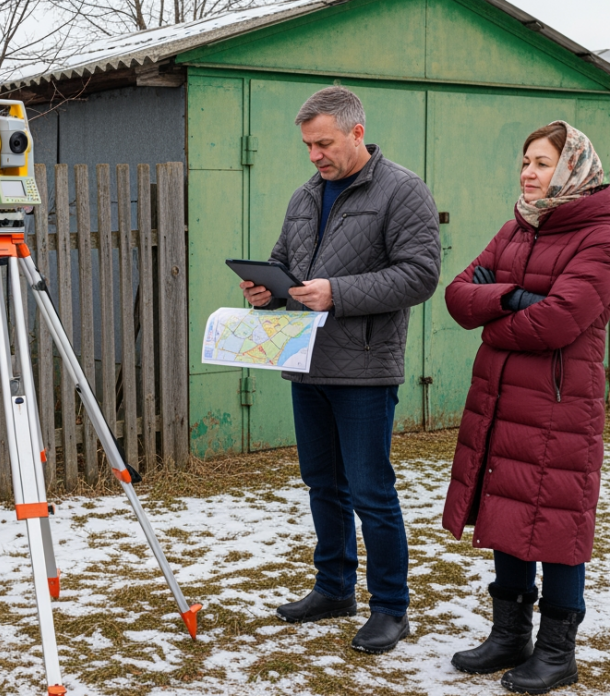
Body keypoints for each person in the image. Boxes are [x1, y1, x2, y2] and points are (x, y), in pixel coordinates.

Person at [240, 86, 441, 654]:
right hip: (307, 365)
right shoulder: (306, 195)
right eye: (307, 145)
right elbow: (286, 262)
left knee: (371, 491)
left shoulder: (404, 192)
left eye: (323, 143)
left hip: (366, 369)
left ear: (357, 133)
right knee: (321, 485)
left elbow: (421, 275)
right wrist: (267, 288)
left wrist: (339, 293)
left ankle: (390, 608)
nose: (314, 156)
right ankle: (333, 588)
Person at [441, 121, 610, 695]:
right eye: (525, 161)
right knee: (506, 511)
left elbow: (559, 321)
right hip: (500, 399)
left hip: (557, 405)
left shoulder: (600, 234)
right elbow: (457, 295)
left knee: (558, 525)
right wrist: (513, 298)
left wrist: (496, 318)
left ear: (572, 169)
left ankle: (556, 651)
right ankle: (509, 636)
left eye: (541, 163)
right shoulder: (518, 226)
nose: (528, 172)